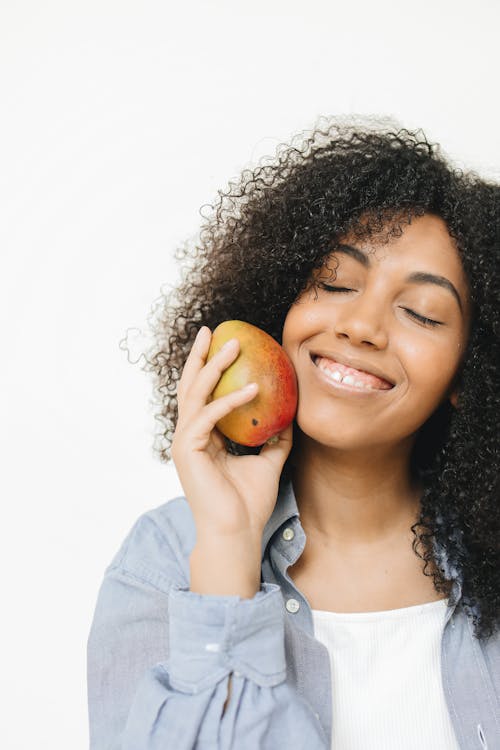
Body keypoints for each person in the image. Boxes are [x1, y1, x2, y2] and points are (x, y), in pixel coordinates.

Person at [87, 116, 500, 749]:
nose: (361, 326)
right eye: (335, 282)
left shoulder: (490, 561)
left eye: (421, 312)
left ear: (469, 373)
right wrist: (228, 549)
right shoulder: (165, 563)